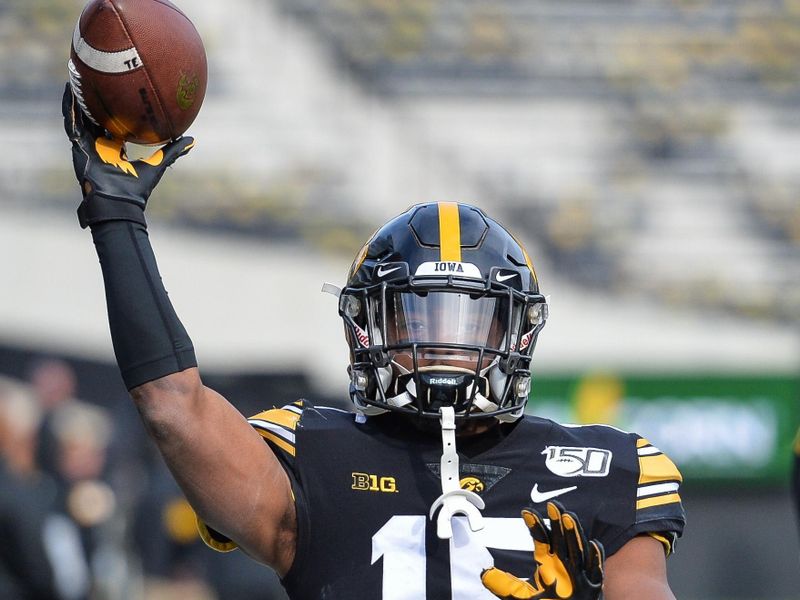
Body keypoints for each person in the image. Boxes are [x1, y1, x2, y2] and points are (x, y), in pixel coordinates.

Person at [62, 83, 685, 600]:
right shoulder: (313, 453)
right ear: (368, 326)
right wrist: (118, 218)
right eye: (418, 321)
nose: (445, 348)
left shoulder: (608, 467)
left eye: (470, 325)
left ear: (517, 331)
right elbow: (173, 405)